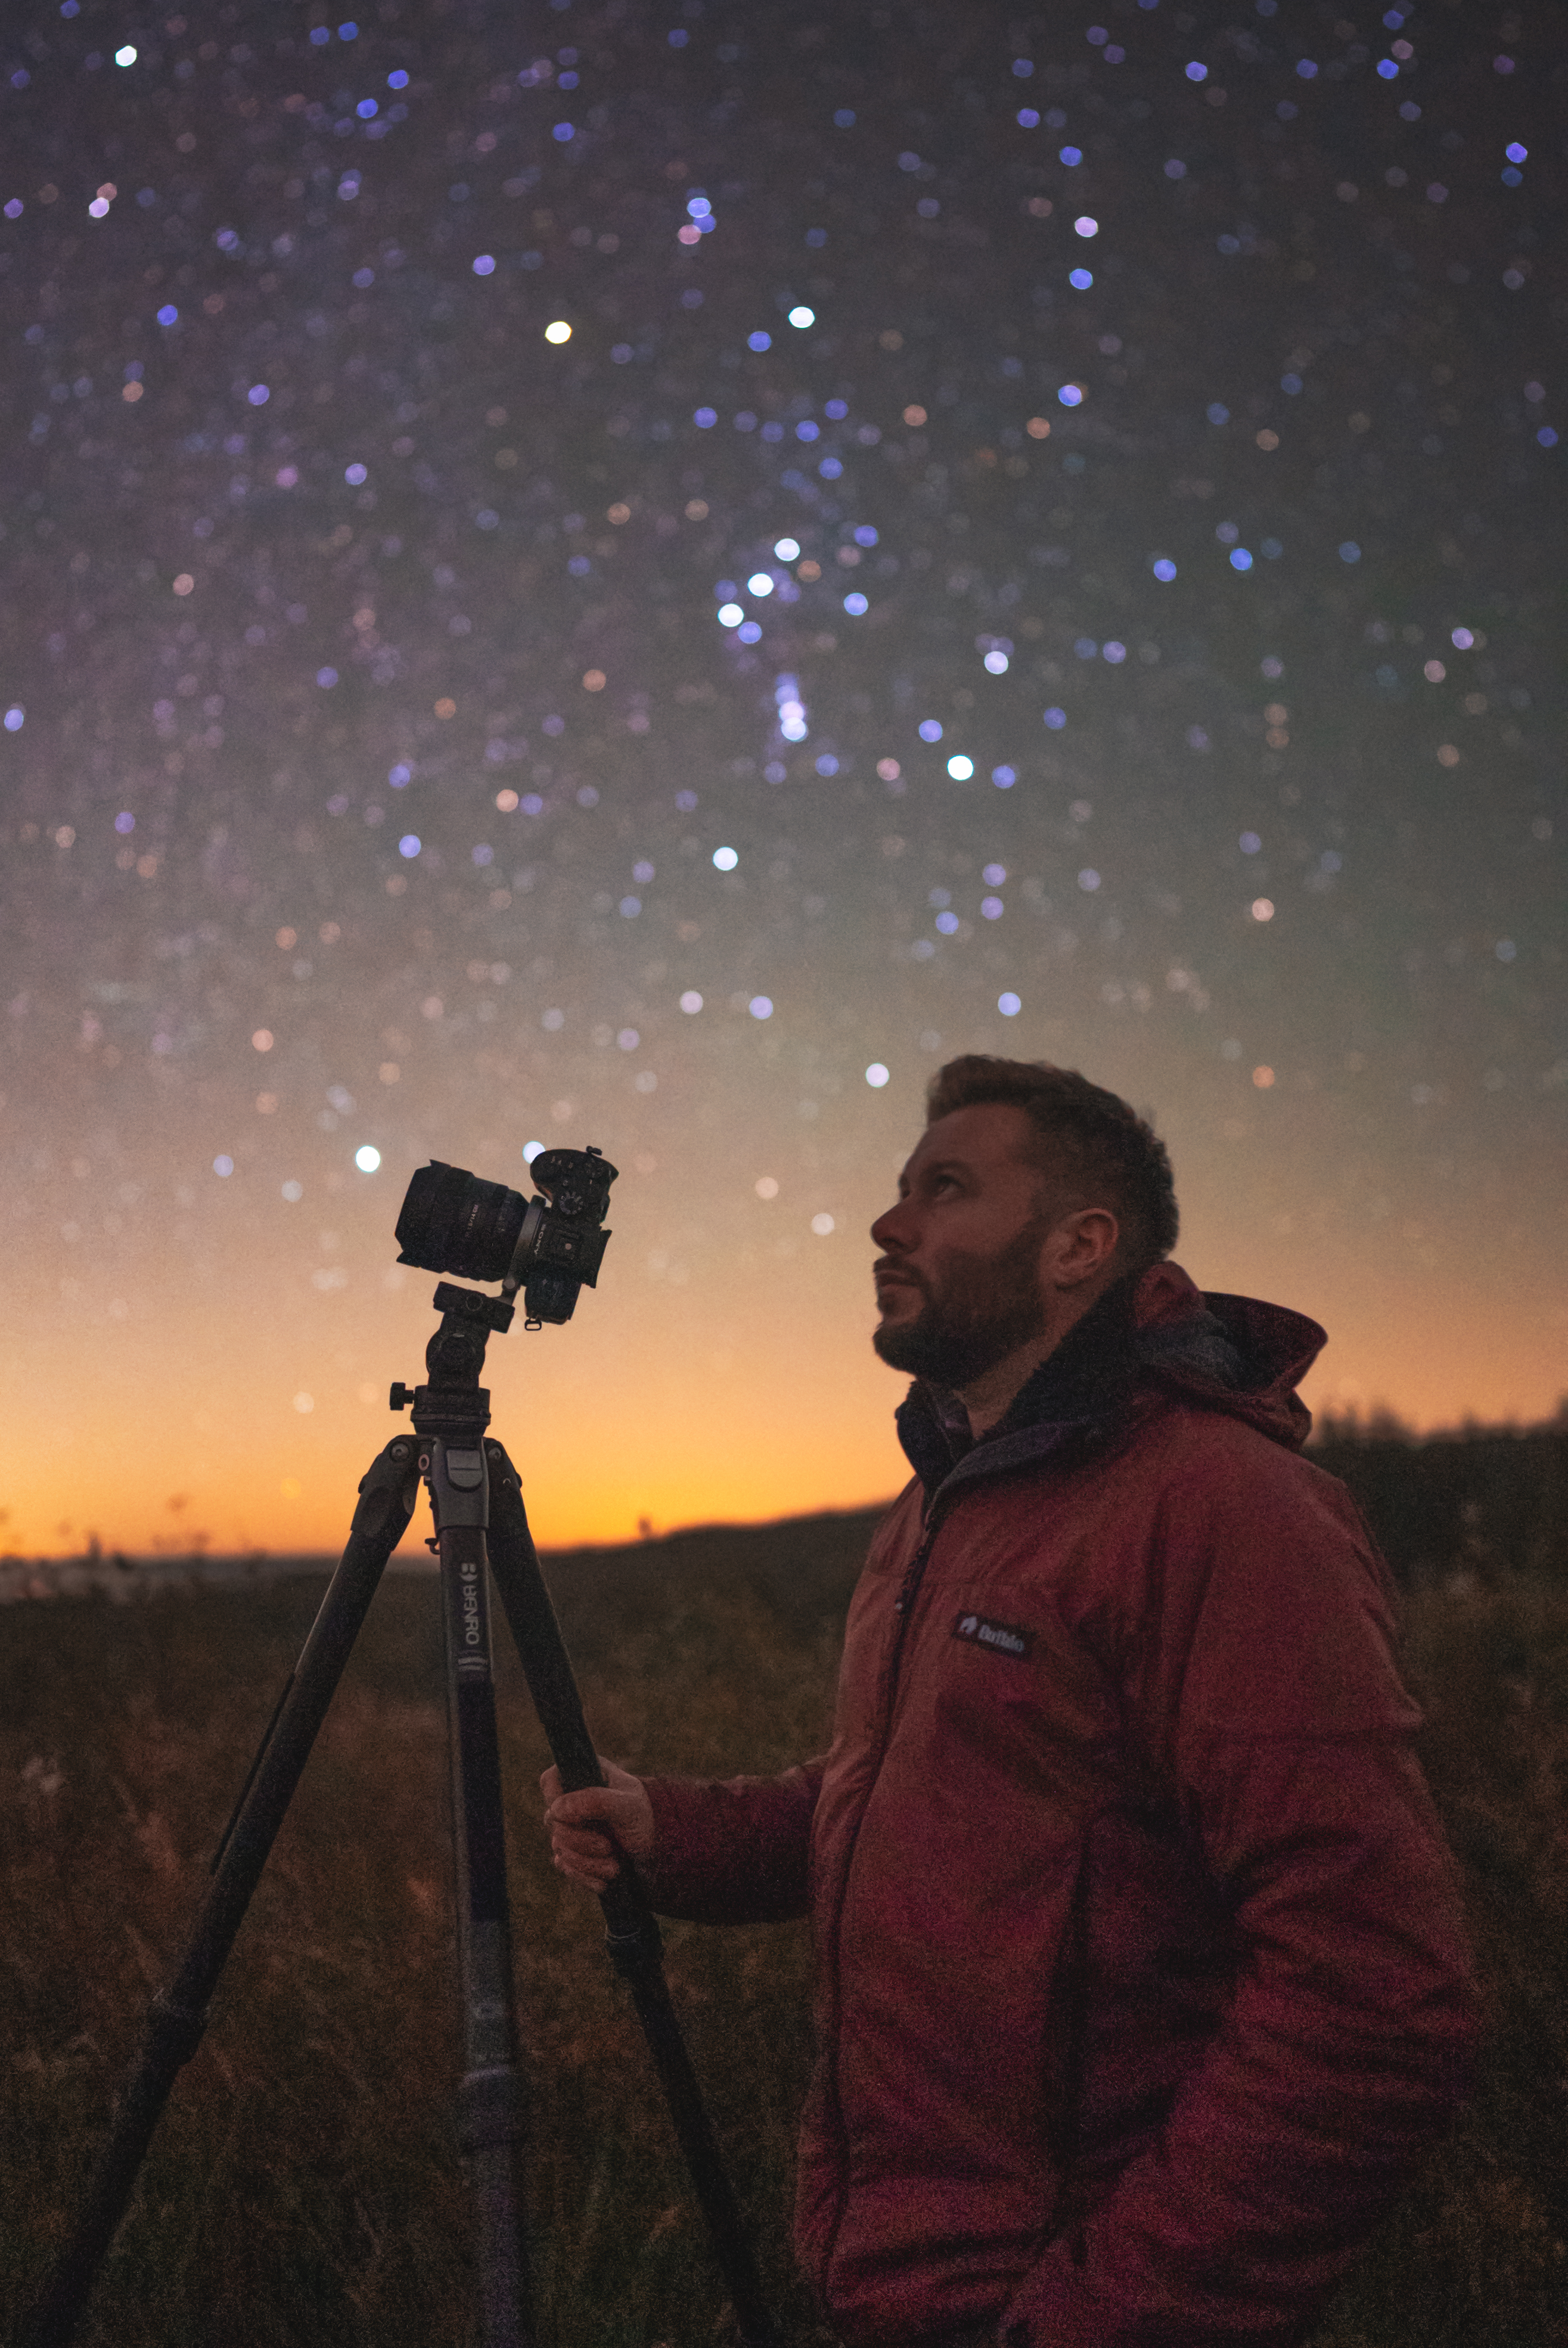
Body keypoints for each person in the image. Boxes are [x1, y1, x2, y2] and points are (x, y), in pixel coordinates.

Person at [542, 1056, 1482, 2348]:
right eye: (896, 1190)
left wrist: (1108, 2313)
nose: (887, 1223)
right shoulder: (939, 1500)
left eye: (944, 1189)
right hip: (884, 2277)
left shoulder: (1222, 1505)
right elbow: (916, 1800)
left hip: (1049, 2293)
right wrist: (677, 1831)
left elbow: (1370, 1987)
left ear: (1076, 1244)